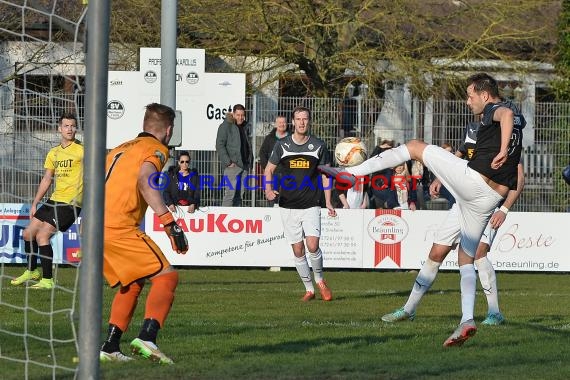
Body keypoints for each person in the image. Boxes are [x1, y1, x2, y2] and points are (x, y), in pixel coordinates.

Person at [319, 73, 523, 346]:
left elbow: (505, 114)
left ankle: (351, 174)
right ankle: (466, 320)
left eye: (470, 96)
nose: (467, 101)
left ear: (485, 95)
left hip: (474, 184)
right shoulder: (505, 120)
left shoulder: (495, 110)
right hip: (486, 198)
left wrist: (500, 150)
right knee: (465, 256)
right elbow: (504, 125)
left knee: (414, 146)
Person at [381, 102, 525, 328]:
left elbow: (519, 176)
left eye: (472, 96)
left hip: (487, 203)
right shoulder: (474, 129)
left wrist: (505, 209)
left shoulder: (508, 138)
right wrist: (440, 177)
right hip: (463, 201)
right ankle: (409, 309)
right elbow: (459, 157)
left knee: (478, 253)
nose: (471, 103)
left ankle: (494, 312)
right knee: (437, 251)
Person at [100, 103, 188, 363]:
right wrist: (169, 222)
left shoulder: (119, 148)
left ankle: (110, 347)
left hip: (95, 226)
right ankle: (147, 338)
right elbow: (144, 180)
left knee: (133, 283)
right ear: (168, 130)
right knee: (167, 278)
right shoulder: (156, 149)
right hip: (119, 227)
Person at [264, 106, 336, 302]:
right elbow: (268, 170)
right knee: (298, 250)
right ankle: (309, 289)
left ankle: (320, 280)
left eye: (305, 119)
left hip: (311, 203)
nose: (302, 122)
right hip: (287, 204)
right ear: (293, 122)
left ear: (309, 121)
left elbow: (326, 175)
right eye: (298, 119)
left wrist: (328, 201)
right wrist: (268, 190)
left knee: (313, 245)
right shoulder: (282, 145)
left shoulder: (319, 146)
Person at [11, 113, 83, 289]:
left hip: (70, 202)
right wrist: (35, 203)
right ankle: (31, 271)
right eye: (66, 126)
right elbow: (47, 179)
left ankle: (48, 280)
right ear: (59, 128)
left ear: (76, 128)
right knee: (28, 233)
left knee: (43, 235)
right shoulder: (54, 152)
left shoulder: (82, 150)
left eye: (73, 126)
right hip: (54, 199)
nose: (70, 129)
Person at [215, 104, 254, 206]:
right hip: (232, 166)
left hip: (244, 165)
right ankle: (224, 218)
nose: (240, 117)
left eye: (242, 115)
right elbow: (219, 145)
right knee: (229, 195)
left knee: (240, 195)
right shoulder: (225, 126)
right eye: (238, 115)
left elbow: (247, 144)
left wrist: (250, 160)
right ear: (233, 114)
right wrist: (228, 162)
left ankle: (237, 218)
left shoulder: (244, 126)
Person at [259, 115, 290, 206]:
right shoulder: (269, 138)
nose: (282, 124)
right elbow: (262, 153)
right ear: (276, 124)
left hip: (288, 174)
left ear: (287, 124)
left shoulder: (292, 137)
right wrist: (267, 168)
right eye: (279, 122)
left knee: (288, 198)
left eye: (284, 122)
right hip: (273, 174)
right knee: (273, 197)